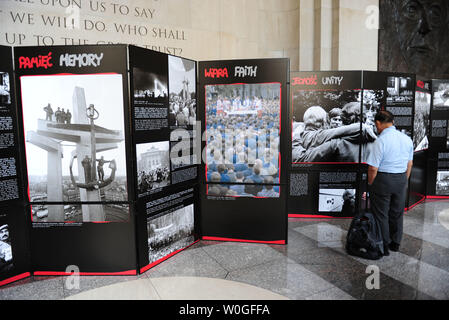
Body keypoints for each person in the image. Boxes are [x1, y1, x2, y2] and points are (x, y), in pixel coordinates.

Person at [366, 110, 413, 256]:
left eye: (376, 125)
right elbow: (409, 163)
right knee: (397, 213)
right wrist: (404, 179)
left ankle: (384, 245)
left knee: (381, 214)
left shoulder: (380, 141)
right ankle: (396, 243)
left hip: (383, 180)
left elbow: (373, 168)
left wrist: (371, 184)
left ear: (379, 123)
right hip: (401, 179)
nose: (376, 127)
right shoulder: (406, 139)